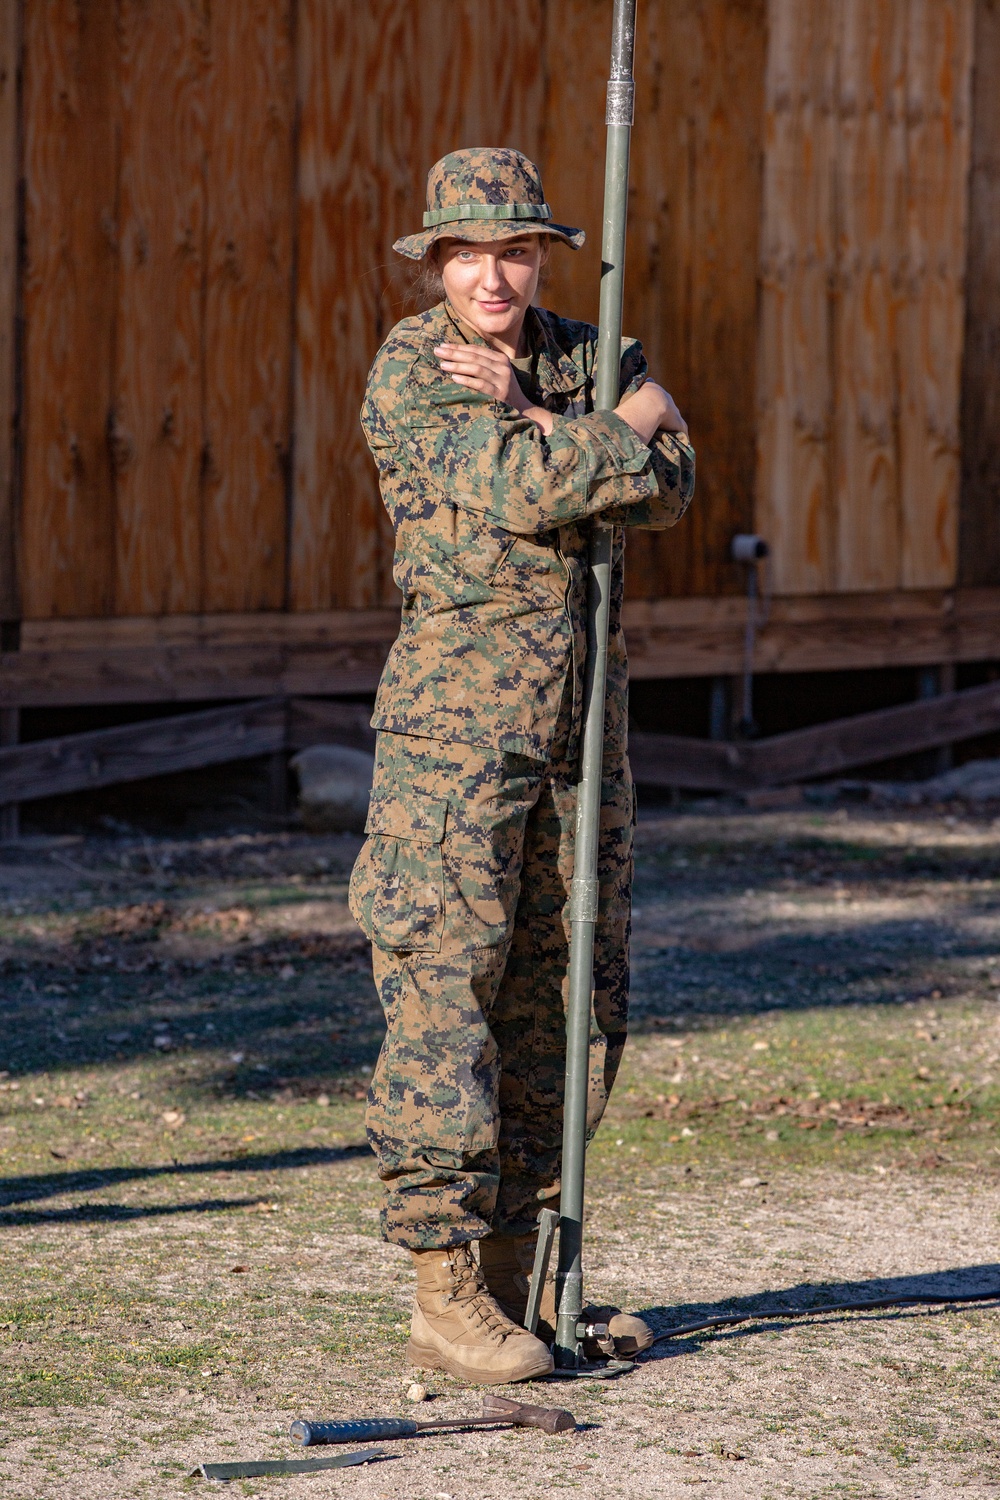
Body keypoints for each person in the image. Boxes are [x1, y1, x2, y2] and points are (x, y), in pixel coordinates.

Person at [350, 147, 694, 1385]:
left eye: (515, 250)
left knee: (564, 999)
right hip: (456, 733)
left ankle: (520, 1281)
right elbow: (525, 483)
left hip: (581, 736)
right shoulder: (415, 362)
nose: (492, 275)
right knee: (445, 991)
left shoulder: (582, 351)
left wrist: (560, 414)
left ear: (540, 252)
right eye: (468, 252)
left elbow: (674, 484)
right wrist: (596, 434)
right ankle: (442, 1295)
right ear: (435, 258)